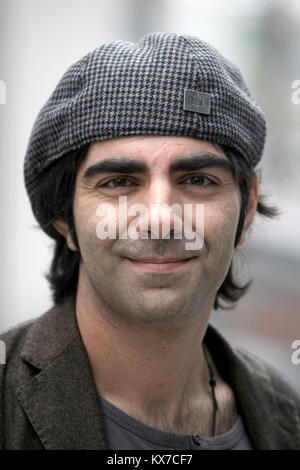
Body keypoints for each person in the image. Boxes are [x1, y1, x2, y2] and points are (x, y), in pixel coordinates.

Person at [1, 32, 299, 450]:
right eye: (119, 182)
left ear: (247, 207)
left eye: (197, 180)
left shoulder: (286, 415)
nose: (160, 219)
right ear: (64, 216)